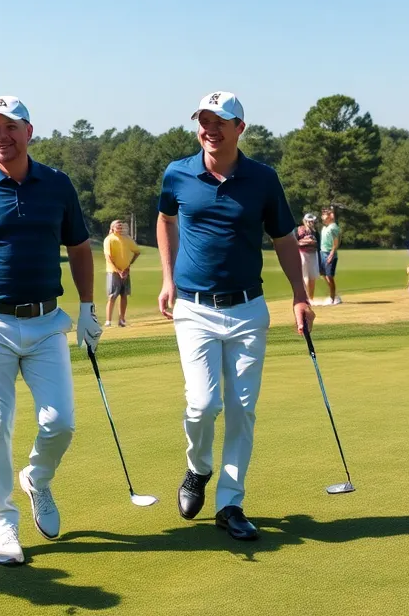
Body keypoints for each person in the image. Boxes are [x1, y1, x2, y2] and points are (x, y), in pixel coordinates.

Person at [0, 95, 101, 566]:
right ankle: (3, 524)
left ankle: (38, 478)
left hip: (48, 322)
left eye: (10, 127)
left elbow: (81, 247)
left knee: (60, 421)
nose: (1, 137)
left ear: (29, 132)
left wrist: (88, 307)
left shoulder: (58, 185)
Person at [156, 90, 312, 543]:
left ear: (239, 128)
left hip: (247, 308)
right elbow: (165, 220)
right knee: (203, 404)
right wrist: (167, 277)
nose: (209, 128)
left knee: (242, 410)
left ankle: (230, 502)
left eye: (219, 121)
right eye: (203, 120)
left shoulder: (263, 178)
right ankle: (197, 468)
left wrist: (299, 296)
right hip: (194, 307)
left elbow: (284, 238)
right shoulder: (178, 173)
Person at [103, 220, 141, 327]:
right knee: (112, 296)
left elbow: (137, 252)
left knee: (124, 295)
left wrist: (128, 266)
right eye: (118, 227)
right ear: (113, 228)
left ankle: (122, 319)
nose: (120, 229)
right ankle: (108, 320)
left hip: (125, 271)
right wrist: (118, 270)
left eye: (121, 227)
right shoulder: (109, 239)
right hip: (113, 271)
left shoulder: (127, 239)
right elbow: (108, 257)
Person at [296, 212, 322, 303]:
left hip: (307, 254)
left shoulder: (311, 231)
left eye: (312, 221)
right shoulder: (306, 231)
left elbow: (318, 245)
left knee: (309, 277)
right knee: (308, 277)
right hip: (307, 255)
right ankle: (308, 298)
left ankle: (309, 299)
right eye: (310, 221)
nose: (312, 223)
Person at [318, 206, 342, 305]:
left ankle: (333, 298)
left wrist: (331, 254)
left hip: (329, 253)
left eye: (324, 214)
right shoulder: (325, 227)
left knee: (329, 276)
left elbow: (336, 242)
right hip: (322, 253)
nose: (322, 216)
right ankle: (334, 295)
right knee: (324, 275)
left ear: (330, 216)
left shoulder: (333, 227)